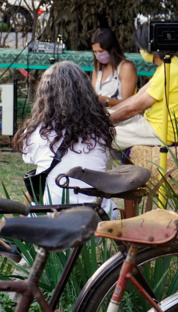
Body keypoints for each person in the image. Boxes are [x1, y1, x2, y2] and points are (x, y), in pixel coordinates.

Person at [13, 61, 117, 215]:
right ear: (87, 93)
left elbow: (30, 159)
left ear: (45, 96)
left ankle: (20, 234)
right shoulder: (101, 130)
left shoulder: (37, 132)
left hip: (54, 215)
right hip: (97, 217)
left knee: (35, 188)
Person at [109, 23, 178, 150]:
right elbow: (137, 97)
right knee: (104, 125)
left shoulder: (171, 71)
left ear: (151, 47)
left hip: (161, 132)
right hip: (152, 124)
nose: (140, 51)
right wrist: (106, 114)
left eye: (141, 48)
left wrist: (104, 121)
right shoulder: (168, 66)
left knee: (102, 136)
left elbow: (135, 108)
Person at [91, 27, 137, 108]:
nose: (98, 55)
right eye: (95, 52)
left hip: (120, 116)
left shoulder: (126, 67)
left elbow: (128, 103)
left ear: (111, 49)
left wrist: (106, 100)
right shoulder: (98, 68)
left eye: (101, 51)